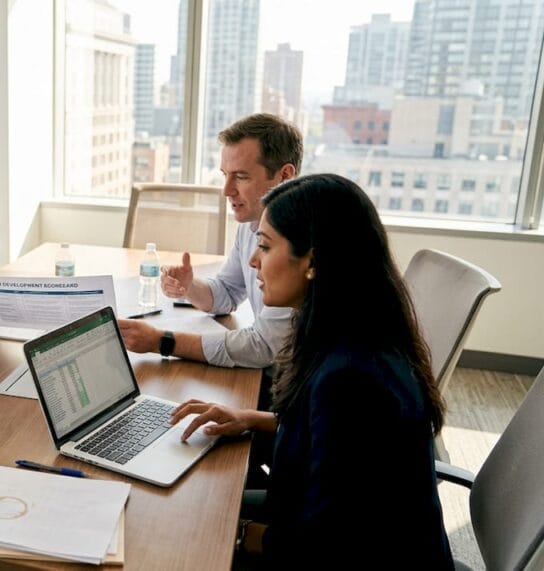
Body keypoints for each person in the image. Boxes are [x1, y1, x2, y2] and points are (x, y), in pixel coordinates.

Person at [171, 174, 453, 567]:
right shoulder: (349, 331)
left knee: (180, 526)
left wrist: (228, 535)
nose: (254, 259)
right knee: (193, 499)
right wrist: (249, 418)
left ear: (314, 262)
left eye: (265, 246)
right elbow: (332, 440)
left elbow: (321, 550)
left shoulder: (351, 377)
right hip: (321, 526)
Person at [118, 113, 301, 369]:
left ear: (284, 175)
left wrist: (163, 341)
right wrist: (190, 285)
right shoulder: (250, 225)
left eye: (241, 176)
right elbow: (227, 293)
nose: (226, 190)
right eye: (225, 174)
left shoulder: (298, 245)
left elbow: (264, 347)